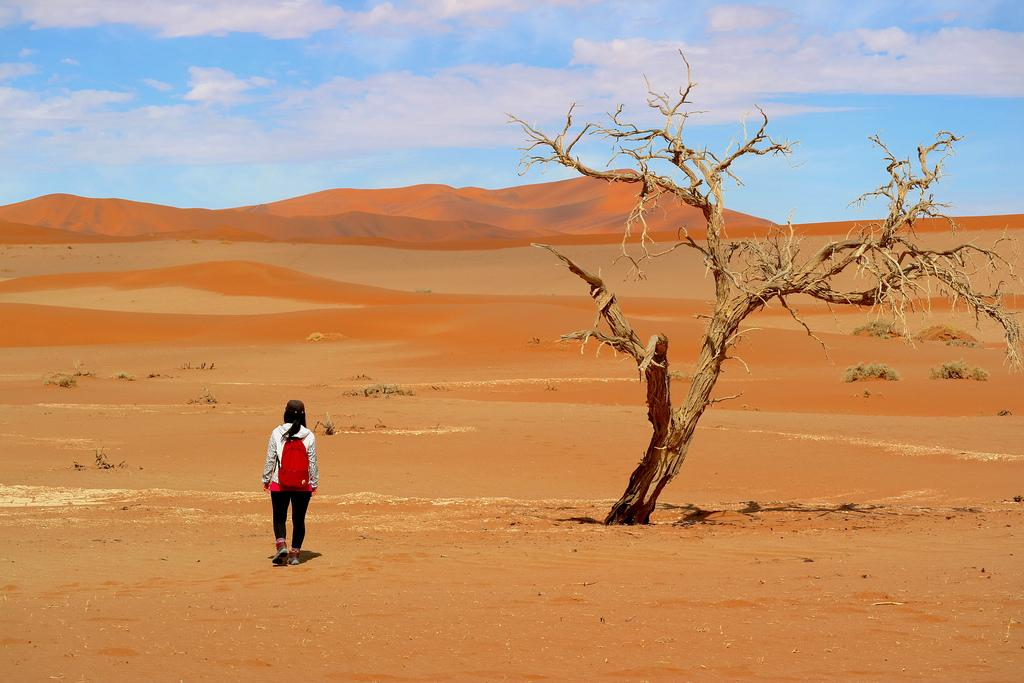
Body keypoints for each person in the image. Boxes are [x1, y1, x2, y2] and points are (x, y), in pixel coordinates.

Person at [262, 399, 319, 566]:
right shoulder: (309, 434)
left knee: (279, 517)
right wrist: (314, 483)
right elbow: (312, 462)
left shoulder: (277, 432)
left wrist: (266, 479)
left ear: (285, 413)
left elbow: (271, 458)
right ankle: (294, 554)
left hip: (280, 483)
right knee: (298, 519)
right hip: (303, 484)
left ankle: (281, 545)